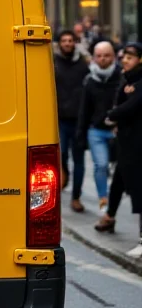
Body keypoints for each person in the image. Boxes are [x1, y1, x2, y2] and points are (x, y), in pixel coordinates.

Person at [105, 41, 142, 259]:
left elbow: (129, 106)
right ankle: (109, 216)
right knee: (120, 183)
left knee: (139, 192)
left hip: (138, 146)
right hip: (127, 146)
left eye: (130, 57)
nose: (125, 60)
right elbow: (119, 102)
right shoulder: (127, 80)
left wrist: (114, 113)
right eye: (124, 57)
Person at [76, 41, 121, 212]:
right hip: (96, 131)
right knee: (101, 165)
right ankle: (103, 198)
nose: (103, 59)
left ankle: (115, 201)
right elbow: (84, 109)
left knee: (121, 169)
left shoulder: (122, 77)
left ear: (113, 56)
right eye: (99, 56)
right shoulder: (90, 81)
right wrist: (80, 134)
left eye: (106, 55)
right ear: (94, 58)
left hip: (118, 130)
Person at [55, 29, 90, 212]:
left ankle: (76, 197)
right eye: (64, 40)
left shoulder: (83, 65)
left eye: (70, 40)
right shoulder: (53, 63)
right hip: (60, 119)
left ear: (75, 43)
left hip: (79, 120)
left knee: (79, 160)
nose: (68, 43)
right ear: (60, 43)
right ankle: (64, 176)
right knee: (61, 157)